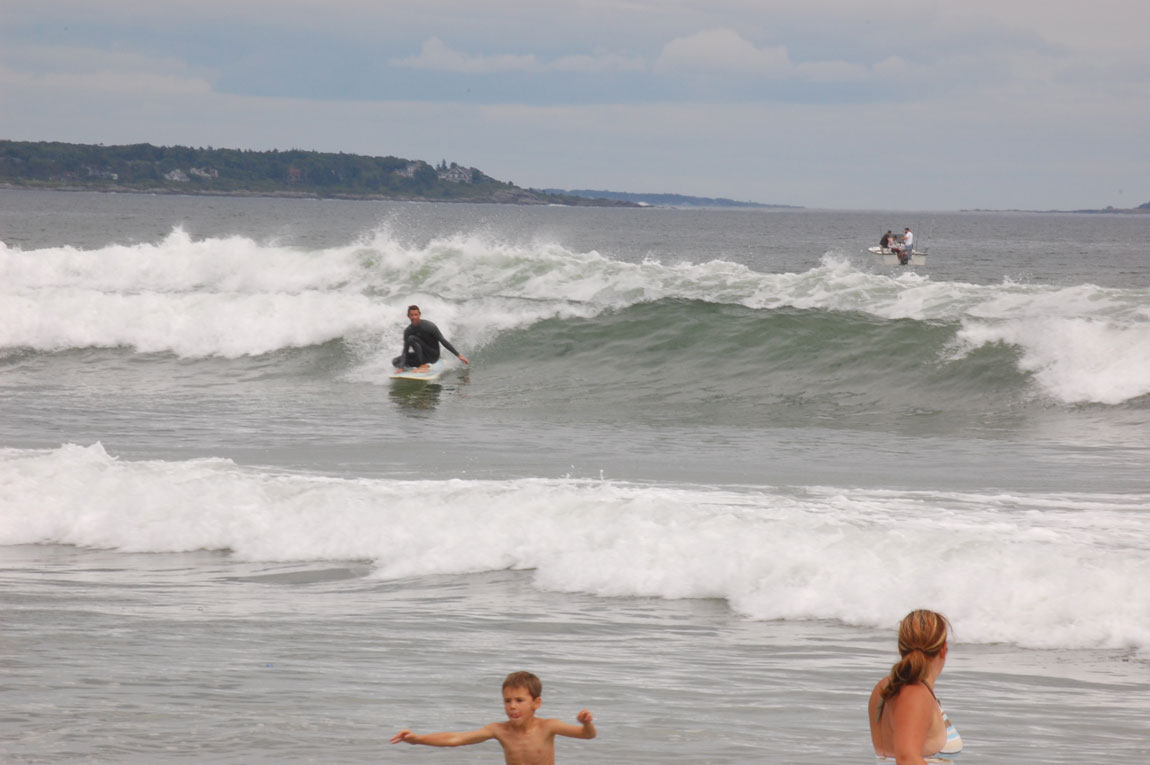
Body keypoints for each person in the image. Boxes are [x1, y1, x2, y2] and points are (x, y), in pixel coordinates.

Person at [391, 671, 596, 764]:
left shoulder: (549, 726)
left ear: (536, 703)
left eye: (519, 700)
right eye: (507, 701)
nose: (512, 706)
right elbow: (456, 739)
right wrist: (418, 739)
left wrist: (586, 724)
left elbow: (587, 736)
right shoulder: (499, 730)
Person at [868, 609, 962, 764]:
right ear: (943, 649)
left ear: (900, 648)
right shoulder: (915, 694)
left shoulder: (885, 688)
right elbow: (906, 759)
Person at [392, 304, 469, 372]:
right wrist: (401, 367)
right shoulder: (408, 331)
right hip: (421, 355)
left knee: (411, 338)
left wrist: (458, 355)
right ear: (408, 316)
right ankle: (418, 367)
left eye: (416, 314)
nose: (414, 317)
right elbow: (405, 350)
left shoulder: (429, 326)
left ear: (419, 314)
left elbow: (443, 341)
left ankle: (423, 366)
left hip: (433, 355)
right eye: (412, 315)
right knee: (396, 362)